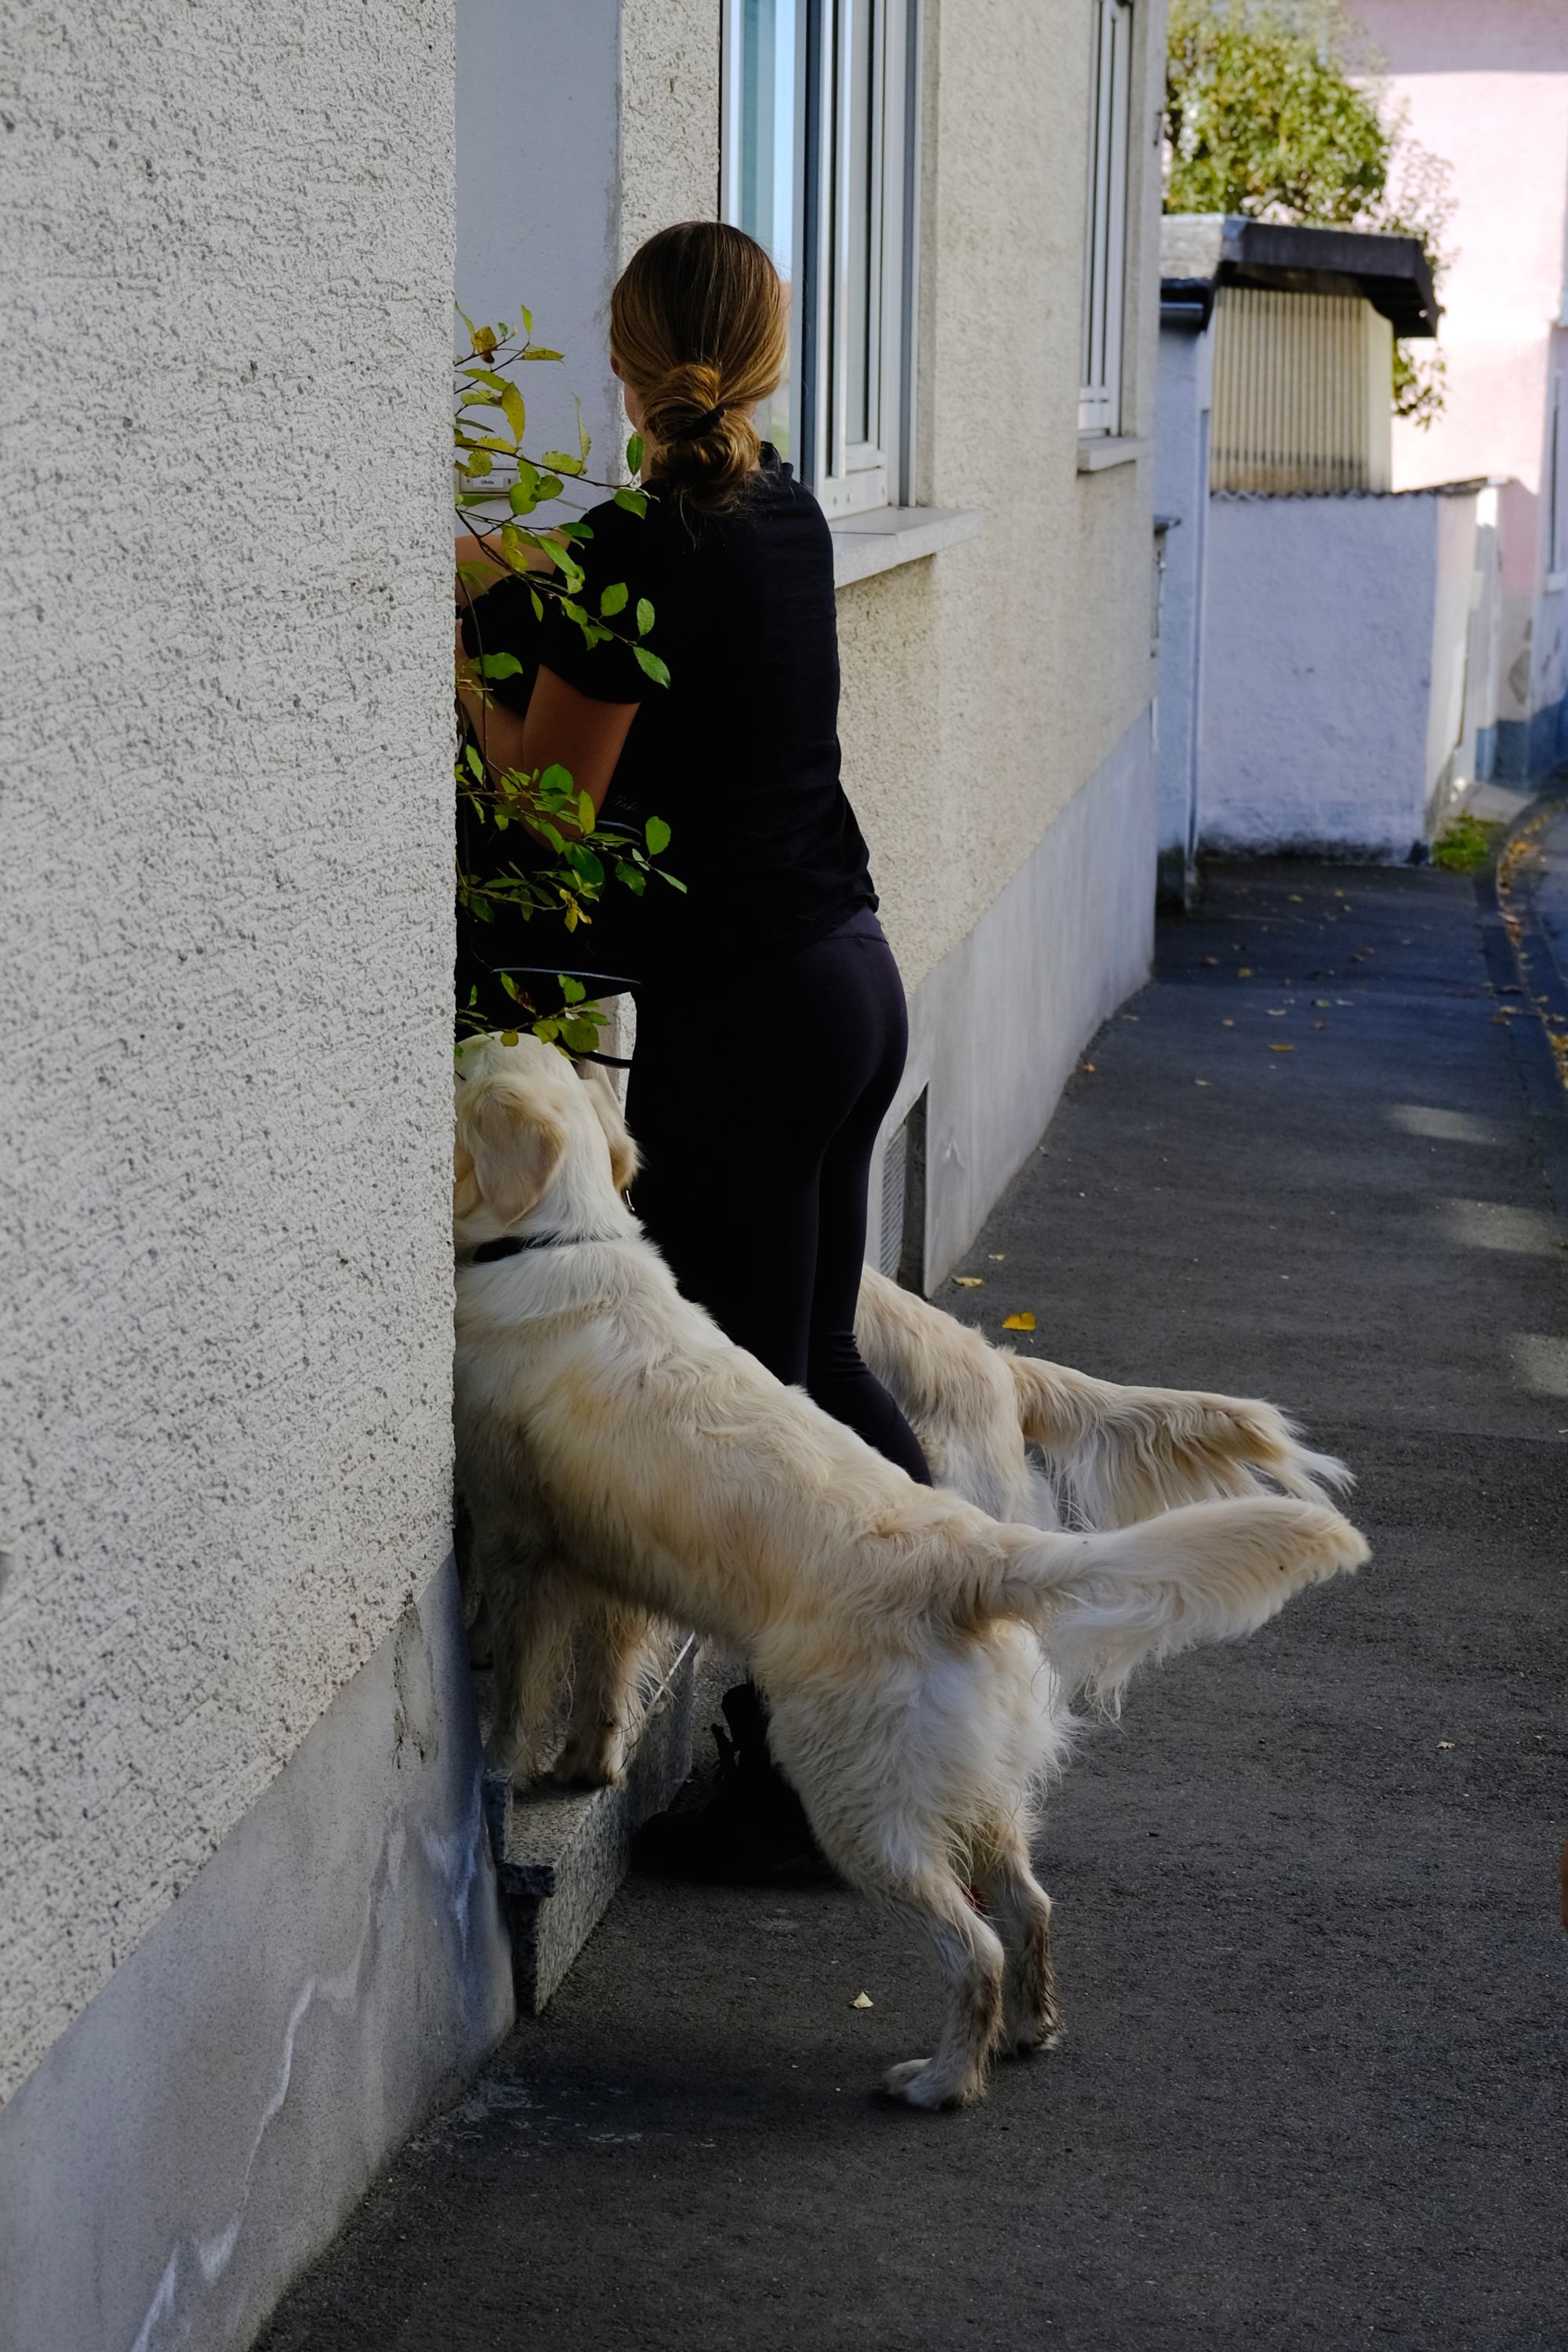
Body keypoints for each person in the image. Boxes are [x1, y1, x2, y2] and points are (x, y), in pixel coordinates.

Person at [457, 220, 931, 1876]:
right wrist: (516, 577)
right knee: (817, 1369)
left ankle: (827, 1780)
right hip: (850, 984)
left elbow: (547, 799)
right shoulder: (783, 508)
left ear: (618, 352)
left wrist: (465, 657)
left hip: (749, 1025)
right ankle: (939, 1665)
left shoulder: (634, 547)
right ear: (766, 361)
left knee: (755, 1413)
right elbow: (650, 606)